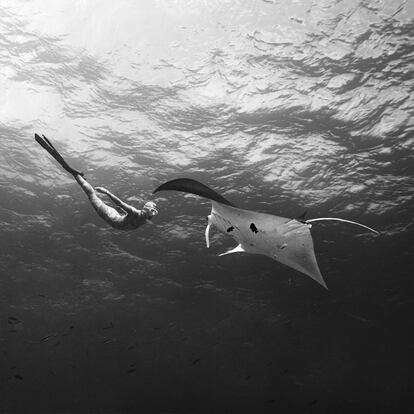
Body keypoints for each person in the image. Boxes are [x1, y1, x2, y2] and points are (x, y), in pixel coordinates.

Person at [35, 133, 158, 230]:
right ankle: (78, 176)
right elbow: (130, 216)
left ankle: (75, 174)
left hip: (112, 218)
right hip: (118, 223)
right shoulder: (143, 220)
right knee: (115, 208)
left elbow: (119, 203)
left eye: (149, 206)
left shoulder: (135, 213)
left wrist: (106, 192)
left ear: (146, 209)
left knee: (91, 194)